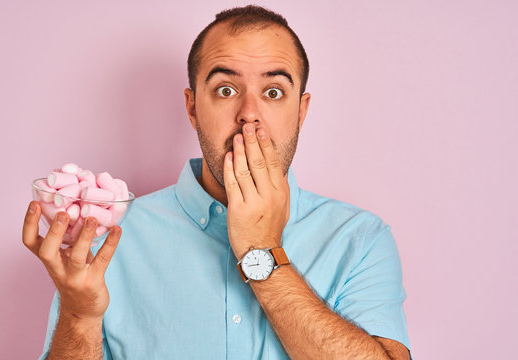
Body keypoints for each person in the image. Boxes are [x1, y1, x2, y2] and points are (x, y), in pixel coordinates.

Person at [23, 5, 411, 360]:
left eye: (274, 92)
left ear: (301, 112)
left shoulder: (359, 239)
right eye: (226, 90)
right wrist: (78, 316)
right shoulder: (107, 237)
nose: (249, 115)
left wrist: (262, 251)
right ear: (192, 108)